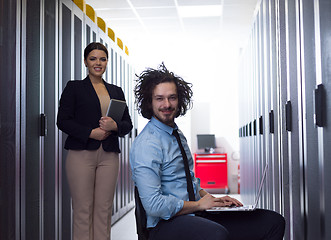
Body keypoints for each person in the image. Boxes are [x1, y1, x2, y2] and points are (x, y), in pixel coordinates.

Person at [130, 63, 285, 240]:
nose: (167, 104)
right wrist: (198, 205)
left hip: (195, 213)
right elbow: (154, 205)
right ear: (149, 102)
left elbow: (188, 184)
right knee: (217, 235)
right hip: (164, 225)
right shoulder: (147, 144)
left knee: (272, 221)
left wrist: (214, 200)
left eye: (172, 98)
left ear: (180, 99)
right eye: (159, 98)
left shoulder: (177, 135)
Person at [57, 42, 133, 240]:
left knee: (104, 209)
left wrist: (114, 126)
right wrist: (91, 132)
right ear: (85, 62)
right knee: (83, 210)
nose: (98, 63)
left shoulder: (116, 91)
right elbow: (62, 121)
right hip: (81, 154)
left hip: (109, 155)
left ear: (107, 62)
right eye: (93, 59)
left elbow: (127, 124)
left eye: (102, 59)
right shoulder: (74, 87)